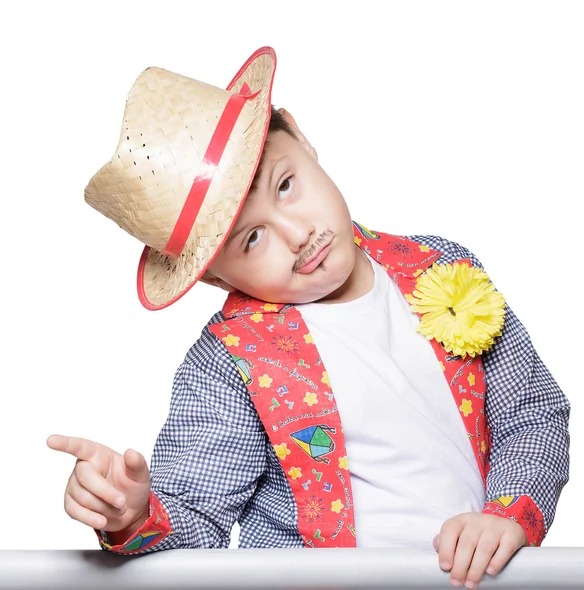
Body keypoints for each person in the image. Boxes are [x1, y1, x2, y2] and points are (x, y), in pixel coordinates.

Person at [47, 46, 570, 589]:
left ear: (300, 137)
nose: (298, 236)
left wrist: (507, 513)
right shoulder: (228, 362)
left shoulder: (441, 265)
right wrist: (131, 513)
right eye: (252, 240)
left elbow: (532, 414)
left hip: (478, 581)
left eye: (285, 185)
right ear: (215, 278)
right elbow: (195, 515)